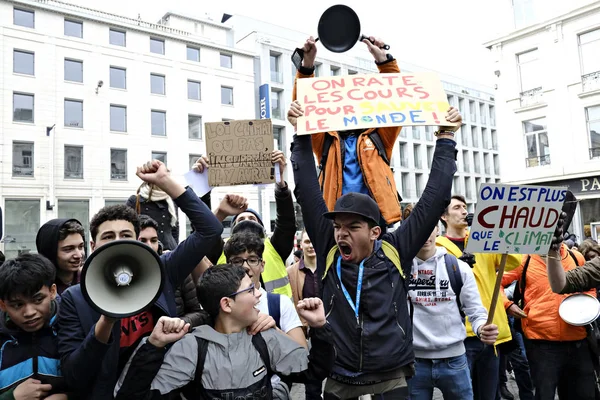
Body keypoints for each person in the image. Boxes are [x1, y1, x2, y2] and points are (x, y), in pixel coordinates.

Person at [288, 103, 461, 398]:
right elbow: (306, 187)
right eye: (338, 225)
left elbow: (435, 197)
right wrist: (301, 134)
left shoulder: (396, 249)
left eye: (352, 227)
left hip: (391, 372)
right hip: (339, 371)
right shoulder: (329, 246)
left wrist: (445, 138)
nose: (341, 232)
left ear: (374, 231)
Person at [56, 159, 223, 399]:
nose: (117, 242)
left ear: (137, 240)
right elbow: (75, 375)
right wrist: (105, 322)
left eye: (125, 235)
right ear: (93, 246)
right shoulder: (75, 298)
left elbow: (210, 230)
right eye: (108, 237)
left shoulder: (161, 270)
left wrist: (166, 182)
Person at [113, 264, 335, 399]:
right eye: (250, 289)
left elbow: (314, 371)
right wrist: (153, 345)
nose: (259, 295)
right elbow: (131, 395)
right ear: (227, 304)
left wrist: (319, 327)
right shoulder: (192, 347)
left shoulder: (264, 336)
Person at [291, 36, 404, 228]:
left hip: (376, 222)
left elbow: (397, 100)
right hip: (336, 222)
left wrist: (385, 61)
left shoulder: (379, 135)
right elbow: (304, 109)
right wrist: (307, 65)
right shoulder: (325, 138)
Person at [436, 195, 523, 400]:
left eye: (465, 207)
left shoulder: (482, 241)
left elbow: (512, 260)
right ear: (443, 216)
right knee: (461, 394)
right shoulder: (437, 247)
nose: (464, 211)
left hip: (487, 330)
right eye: (457, 208)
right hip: (457, 333)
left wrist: (491, 233)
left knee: (488, 394)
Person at [407, 225, 496, 400]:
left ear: (437, 230)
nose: (425, 233)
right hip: (414, 362)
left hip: (454, 360)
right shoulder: (400, 269)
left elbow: (475, 310)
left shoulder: (458, 267)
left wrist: (482, 328)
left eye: (429, 227)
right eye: (420, 226)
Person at [503, 244, 596, 399]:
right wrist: (508, 305)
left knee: (584, 394)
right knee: (544, 394)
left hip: (577, 339)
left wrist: (588, 303)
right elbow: (495, 282)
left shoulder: (575, 256)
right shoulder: (523, 259)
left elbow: (589, 285)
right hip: (541, 343)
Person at [200, 150, 296, 298]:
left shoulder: (275, 247)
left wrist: (280, 181)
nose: (246, 222)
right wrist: (204, 187)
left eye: (252, 219)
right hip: (232, 315)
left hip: (276, 315)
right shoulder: (221, 249)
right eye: (240, 220)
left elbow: (286, 222)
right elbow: (204, 227)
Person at [0, 254, 69, 399]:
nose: (29, 313)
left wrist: (69, 397)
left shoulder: (71, 326)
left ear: (52, 292)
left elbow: (97, 381)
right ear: (3, 305)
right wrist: (12, 397)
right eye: (17, 305)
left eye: (38, 300)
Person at [138, 215, 204, 328]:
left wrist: (179, 323)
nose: (149, 246)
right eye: (142, 241)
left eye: (153, 240)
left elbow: (199, 314)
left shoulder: (174, 269)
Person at [287, 230, 323, 400]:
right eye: (307, 242)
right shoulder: (291, 272)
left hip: (328, 331)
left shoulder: (328, 268)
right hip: (306, 334)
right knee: (312, 382)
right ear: (301, 245)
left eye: (314, 241)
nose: (311, 245)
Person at [126, 180, 179, 251]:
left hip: (169, 251)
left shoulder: (171, 202)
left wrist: (175, 250)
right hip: (143, 250)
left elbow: (174, 228)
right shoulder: (135, 201)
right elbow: (125, 226)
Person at [36, 218, 85, 295]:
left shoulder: (91, 281)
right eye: (68, 249)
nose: (78, 255)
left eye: (81, 247)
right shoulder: (37, 287)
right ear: (50, 252)